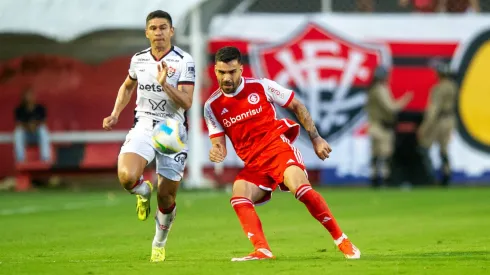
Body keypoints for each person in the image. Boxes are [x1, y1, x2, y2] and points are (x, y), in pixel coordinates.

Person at [204, 46, 360, 261]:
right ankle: (262, 250)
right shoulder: (212, 106)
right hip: (253, 164)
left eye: (232, 72)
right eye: (222, 72)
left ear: (241, 69)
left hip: (277, 149)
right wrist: (216, 151)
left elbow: (297, 105)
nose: (227, 77)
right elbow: (218, 143)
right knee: (239, 195)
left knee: (301, 189)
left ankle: (341, 239)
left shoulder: (262, 86)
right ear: (215, 71)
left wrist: (316, 138)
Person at [102, 10, 195, 262]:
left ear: (171, 31)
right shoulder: (139, 59)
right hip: (144, 124)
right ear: (147, 32)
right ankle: (143, 192)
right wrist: (114, 113)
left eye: (163, 28)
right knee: (126, 176)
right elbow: (128, 85)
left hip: (171, 130)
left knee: (167, 198)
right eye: (153, 28)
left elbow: (187, 102)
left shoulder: (184, 61)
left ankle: (159, 242)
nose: (158, 33)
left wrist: (165, 84)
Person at [365, 66, 413, 188]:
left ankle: (376, 180)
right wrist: (405, 99)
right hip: (381, 127)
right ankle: (382, 181)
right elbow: (391, 107)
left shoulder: (373, 89)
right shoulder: (379, 89)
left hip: (377, 126)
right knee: (383, 156)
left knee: (377, 156)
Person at [418, 61, 457, 186]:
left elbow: (433, 109)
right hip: (450, 119)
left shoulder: (439, 88)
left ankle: (430, 177)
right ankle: (446, 174)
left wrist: (424, 127)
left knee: (425, 146)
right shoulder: (453, 86)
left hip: (439, 120)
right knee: (444, 149)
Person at [14, 88, 51, 162]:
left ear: (34, 96)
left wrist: (34, 125)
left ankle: (45, 159)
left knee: (43, 130)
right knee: (18, 132)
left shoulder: (40, 108)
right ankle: (20, 160)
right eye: (26, 95)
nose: (28, 97)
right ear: (23, 97)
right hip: (26, 136)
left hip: (37, 135)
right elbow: (18, 124)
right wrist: (28, 126)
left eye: (30, 95)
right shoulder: (19, 109)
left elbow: (44, 122)